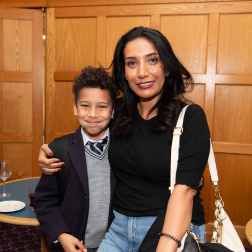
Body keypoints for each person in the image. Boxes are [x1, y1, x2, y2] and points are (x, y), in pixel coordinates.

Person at [38, 27, 210, 252]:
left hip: (170, 230)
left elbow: (185, 192)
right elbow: (89, 127)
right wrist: (50, 150)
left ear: (166, 66)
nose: (142, 72)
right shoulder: (118, 111)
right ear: (124, 72)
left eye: (152, 60)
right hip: (119, 229)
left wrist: (165, 246)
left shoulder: (190, 116)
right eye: (132, 63)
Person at [33, 66, 118, 252]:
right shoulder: (59, 149)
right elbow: (43, 201)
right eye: (85, 105)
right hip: (73, 245)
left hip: (114, 244)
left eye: (102, 106)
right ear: (75, 107)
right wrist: (61, 235)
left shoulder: (124, 148)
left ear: (113, 111)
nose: (93, 114)